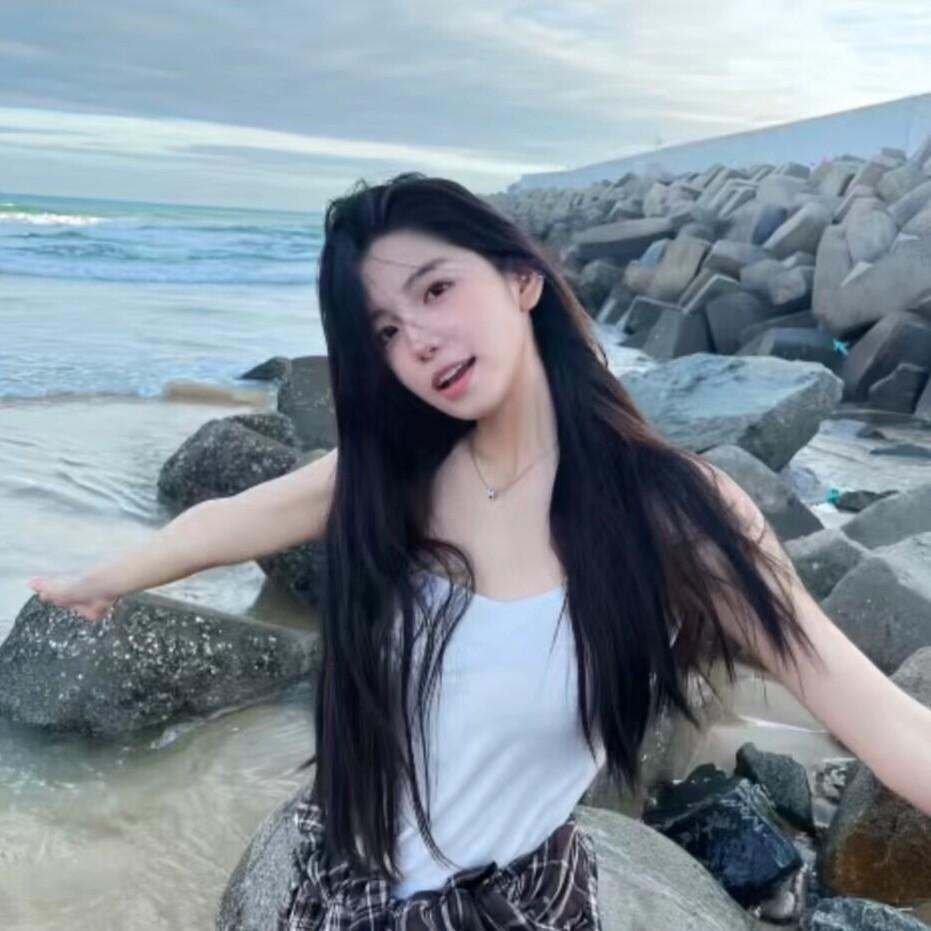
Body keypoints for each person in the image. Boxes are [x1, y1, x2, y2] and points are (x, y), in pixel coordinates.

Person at [28, 172, 931, 930]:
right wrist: (98, 580)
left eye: (435, 290)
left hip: (503, 907)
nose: (418, 340)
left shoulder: (671, 513)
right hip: (338, 881)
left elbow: (877, 715)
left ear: (519, 278)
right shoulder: (397, 472)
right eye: (384, 330)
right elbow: (227, 520)